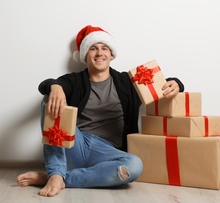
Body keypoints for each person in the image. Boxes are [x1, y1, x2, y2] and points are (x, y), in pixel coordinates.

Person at [17, 25, 184, 197]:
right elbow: (45, 84)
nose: (99, 53)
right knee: (49, 100)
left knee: (134, 166)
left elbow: (161, 83)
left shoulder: (126, 81)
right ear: (85, 55)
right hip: (76, 144)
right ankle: (56, 172)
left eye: (105, 48)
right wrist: (55, 86)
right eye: (93, 48)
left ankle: (58, 178)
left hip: (108, 153)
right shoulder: (75, 81)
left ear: (111, 54)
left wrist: (177, 83)